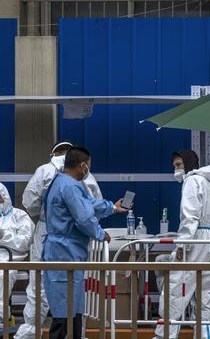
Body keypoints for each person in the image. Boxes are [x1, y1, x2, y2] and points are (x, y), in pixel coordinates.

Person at [17, 141, 105, 339]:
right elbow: (93, 206)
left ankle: (31, 331)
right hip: (74, 238)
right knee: (74, 287)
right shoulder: (84, 176)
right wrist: (95, 228)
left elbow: (29, 203)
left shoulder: (45, 172)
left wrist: (50, 211)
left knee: (41, 284)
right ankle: (74, 332)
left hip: (50, 232)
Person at [43, 146, 127, 339]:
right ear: (83, 166)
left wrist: (112, 207)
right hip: (65, 252)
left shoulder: (63, 182)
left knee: (69, 309)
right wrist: (100, 233)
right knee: (65, 312)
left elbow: (88, 203)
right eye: (88, 165)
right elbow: (83, 218)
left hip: (64, 252)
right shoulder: (70, 186)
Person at [153, 150, 210, 339]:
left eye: (179, 165)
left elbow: (190, 216)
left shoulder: (191, 181)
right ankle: (205, 335)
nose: (176, 169)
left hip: (196, 238)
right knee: (206, 293)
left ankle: (165, 335)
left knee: (176, 286)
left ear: (188, 163)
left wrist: (182, 245)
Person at [0, 183, 35, 330]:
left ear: (5, 197)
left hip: (10, 260)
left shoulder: (19, 216)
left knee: (1, 276)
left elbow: (24, 243)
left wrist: (3, 236)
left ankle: (2, 317)